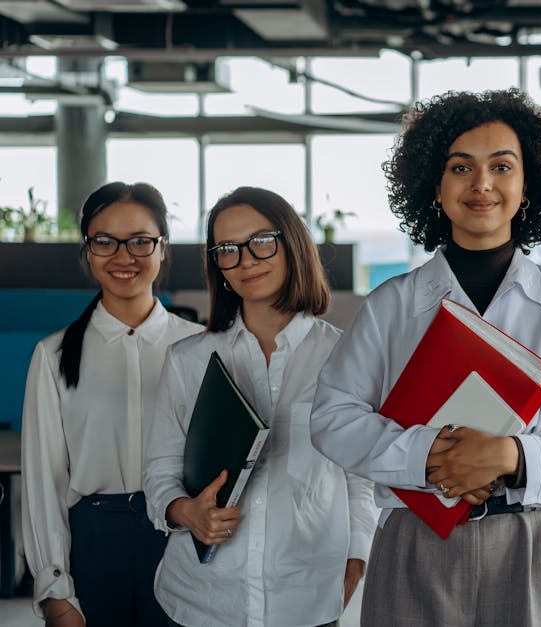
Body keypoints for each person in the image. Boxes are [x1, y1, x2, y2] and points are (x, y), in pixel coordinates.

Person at [308, 88, 541, 627]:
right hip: (414, 538)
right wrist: (431, 456)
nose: (482, 184)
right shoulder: (392, 304)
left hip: (526, 541)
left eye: (503, 166)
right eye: (461, 167)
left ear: (528, 186)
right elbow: (332, 419)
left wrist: (509, 457)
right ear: (434, 183)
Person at [142, 187, 377, 627]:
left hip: (307, 599)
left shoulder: (347, 357)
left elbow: (360, 479)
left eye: (261, 241)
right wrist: (185, 512)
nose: (246, 260)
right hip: (201, 601)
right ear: (218, 266)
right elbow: (160, 469)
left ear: (292, 244)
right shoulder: (188, 360)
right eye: (228, 250)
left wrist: (355, 563)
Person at [21, 182, 204, 627]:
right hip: (95, 543)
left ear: (163, 250)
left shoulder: (202, 348)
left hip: (182, 538)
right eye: (105, 241)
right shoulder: (55, 354)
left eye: (141, 241)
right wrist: (55, 590)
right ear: (87, 250)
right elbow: (44, 481)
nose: (124, 256)